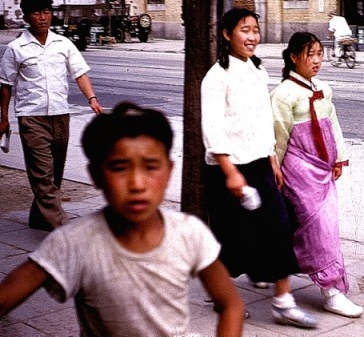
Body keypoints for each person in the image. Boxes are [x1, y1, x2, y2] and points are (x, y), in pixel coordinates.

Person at [0, 102, 245, 336]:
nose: (137, 184)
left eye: (150, 167)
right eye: (119, 168)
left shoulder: (189, 233)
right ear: (96, 175)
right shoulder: (74, 242)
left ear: (169, 171)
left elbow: (231, 305)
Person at [201, 7, 318, 329]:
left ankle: (283, 302)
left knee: (280, 225)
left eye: (255, 30)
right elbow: (212, 129)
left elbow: (262, 120)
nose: (252, 36)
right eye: (244, 30)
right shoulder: (217, 76)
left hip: (259, 164)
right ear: (227, 35)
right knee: (231, 236)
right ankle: (221, 293)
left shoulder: (257, 71)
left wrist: (271, 160)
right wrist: (230, 172)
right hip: (228, 170)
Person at [271, 32, 364, 318]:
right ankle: (331, 291)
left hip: (323, 169)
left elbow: (332, 123)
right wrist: (273, 166)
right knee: (317, 227)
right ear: (293, 57)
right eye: (310, 54)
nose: (316, 60)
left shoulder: (323, 88)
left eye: (320, 54)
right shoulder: (283, 94)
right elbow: (278, 136)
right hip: (298, 169)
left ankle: (325, 282)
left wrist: (339, 157)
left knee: (327, 225)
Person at [0, 0, 103, 232]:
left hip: (60, 115)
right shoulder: (16, 48)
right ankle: (62, 229)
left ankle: (39, 218)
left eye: (47, 12)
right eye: (37, 13)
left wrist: (92, 99)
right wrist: (3, 118)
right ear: (27, 16)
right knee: (42, 174)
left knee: (54, 172)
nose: (43, 17)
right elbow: (5, 85)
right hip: (32, 117)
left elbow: (79, 73)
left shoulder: (63, 44)